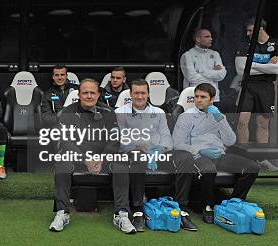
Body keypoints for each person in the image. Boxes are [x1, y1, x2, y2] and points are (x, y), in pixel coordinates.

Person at [172, 83, 259, 227]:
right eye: (196, 97)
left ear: (212, 99)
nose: (199, 100)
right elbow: (178, 143)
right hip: (199, 155)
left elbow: (230, 141)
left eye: (203, 97)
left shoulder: (219, 115)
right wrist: (199, 150)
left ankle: (232, 203)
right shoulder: (186, 117)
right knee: (208, 170)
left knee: (252, 167)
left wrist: (220, 119)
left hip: (220, 153)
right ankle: (208, 207)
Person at [49, 79, 120, 232]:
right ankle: (62, 213)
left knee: (120, 164)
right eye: (85, 93)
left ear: (98, 95)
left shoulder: (108, 112)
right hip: (78, 157)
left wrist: (102, 159)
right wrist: (85, 159)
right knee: (62, 163)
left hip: (102, 159)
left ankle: (121, 214)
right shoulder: (67, 112)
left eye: (92, 93)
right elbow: (66, 142)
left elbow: (114, 140)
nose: (89, 96)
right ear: (79, 95)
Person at [113, 79, 173, 233]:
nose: (139, 96)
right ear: (130, 94)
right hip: (132, 154)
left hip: (157, 154)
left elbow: (167, 138)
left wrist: (158, 151)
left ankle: (180, 208)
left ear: (148, 94)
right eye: (136, 93)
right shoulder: (120, 112)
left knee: (183, 158)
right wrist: (141, 149)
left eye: (143, 93)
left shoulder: (159, 113)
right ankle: (138, 210)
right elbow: (121, 140)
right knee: (138, 158)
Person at [235, 18, 278, 145]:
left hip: (266, 87)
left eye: (250, 30)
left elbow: (277, 69)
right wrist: (268, 67)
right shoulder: (244, 45)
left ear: (260, 29)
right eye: (247, 31)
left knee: (263, 123)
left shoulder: (276, 44)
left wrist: (252, 65)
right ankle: (243, 157)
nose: (247, 33)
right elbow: (241, 71)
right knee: (242, 121)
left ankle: (262, 159)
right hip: (247, 86)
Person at [180, 28, 226, 103]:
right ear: (198, 39)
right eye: (207, 37)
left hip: (213, 98)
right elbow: (192, 78)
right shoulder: (187, 55)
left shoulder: (215, 54)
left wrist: (201, 72)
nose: (211, 39)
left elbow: (222, 75)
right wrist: (213, 73)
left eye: (211, 36)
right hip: (194, 98)